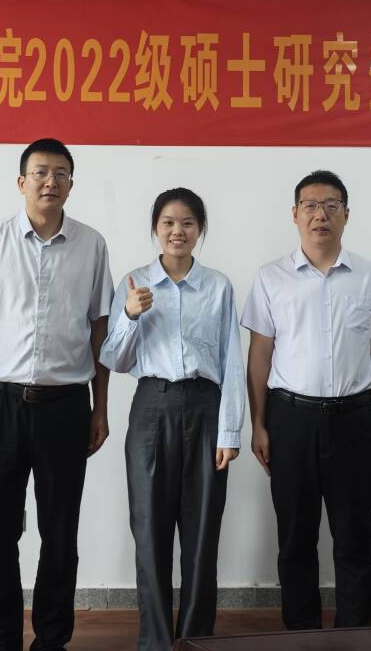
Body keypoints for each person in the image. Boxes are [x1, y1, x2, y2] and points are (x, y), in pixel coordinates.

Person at [0, 138, 114, 651]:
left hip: (66, 406)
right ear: (21, 182)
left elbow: (100, 330)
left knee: (60, 532)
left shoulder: (92, 245)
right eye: (40, 172)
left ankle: (52, 639)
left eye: (60, 173)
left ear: (71, 184)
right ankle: (1, 639)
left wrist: (101, 408)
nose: (50, 181)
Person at [243, 170, 371, 630]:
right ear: (294, 214)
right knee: (296, 539)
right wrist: (258, 425)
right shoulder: (271, 277)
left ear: (346, 215)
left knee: (355, 538)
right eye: (310, 206)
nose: (320, 215)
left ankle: (354, 635)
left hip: (355, 420)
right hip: (290, 419)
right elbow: (259, 355)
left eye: (331, 205)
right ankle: (302, 635)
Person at [100, 188, 244, 651]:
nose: (177, 231)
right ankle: (156, 642)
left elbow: (232, 361)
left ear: (200, 230)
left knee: (202, 532)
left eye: (187, 223)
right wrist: (129, 315)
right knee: (149, 530)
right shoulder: (135, 283)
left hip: (205, 407)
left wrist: (230, 430)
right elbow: (114, 360)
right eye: (168, 222)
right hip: (152, 407)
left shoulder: (218, 286)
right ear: (155, 228)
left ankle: (197, 639)